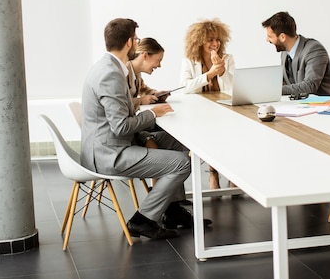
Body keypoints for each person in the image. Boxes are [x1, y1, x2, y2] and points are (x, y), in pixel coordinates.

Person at [80, 18, 209, 240]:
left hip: (114, 144)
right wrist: (153, 114)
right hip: (110, 154)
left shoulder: (110, 67)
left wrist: (146, 117)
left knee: (182, 144)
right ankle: (143, 219)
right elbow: (121, 127)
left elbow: (124, 115)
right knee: (182, 163)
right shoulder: (111, 74)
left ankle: (173, 209)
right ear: (130, 42)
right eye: (136, 39)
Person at [180, 18, 235, 190]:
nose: (215, 43)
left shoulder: (228, 58)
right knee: (211, 135)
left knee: (232, 133)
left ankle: (232, 173)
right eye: (210, 39)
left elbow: (233, 87)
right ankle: (213, 174)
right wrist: (210, 74)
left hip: (223, 108)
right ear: (199, 41)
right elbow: (185, 87)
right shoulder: (189, 61)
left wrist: (223, 71)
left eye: (218, 39)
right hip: (199, 111)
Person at [261, 11, 330, 97]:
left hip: (325, 107)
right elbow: (285, 82)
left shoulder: (314, 50)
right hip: (300, 106)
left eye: (270, 36)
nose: (267, 40)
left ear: (282, 37)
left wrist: (275, 90)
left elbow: (310, 86)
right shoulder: (284, 53)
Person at [127, 37, 169, 113]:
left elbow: (143, 89)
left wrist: (156, 94)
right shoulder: (123, 72)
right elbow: (117, 104)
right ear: (145, 55)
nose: (159, 65)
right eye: (158, 60)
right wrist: (140, 101)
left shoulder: (136, 72)